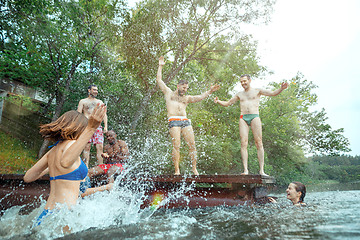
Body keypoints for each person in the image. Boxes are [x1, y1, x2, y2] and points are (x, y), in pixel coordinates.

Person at [23, 104, 106, 229]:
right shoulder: (70, 145)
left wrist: (52, 166)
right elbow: (66, 162)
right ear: (80, 129)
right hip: (63, 217)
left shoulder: (53, 151)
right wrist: (91, 128)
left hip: (46, 215)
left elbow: (28, 177)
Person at [156, 56, 220, 175]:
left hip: (185, 121)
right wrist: (160, 66)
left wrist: (210, 91)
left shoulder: (187, 98)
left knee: (192, 145)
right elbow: (159, 80)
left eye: (186, 88)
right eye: (183, 87)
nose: (185, 90)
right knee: (177, 145)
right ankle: (177, 170)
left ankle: (194, 168)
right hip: (173, 120)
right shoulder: (169, 93)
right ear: (178, 86)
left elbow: (200, 97)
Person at [214, 74, 288, 176]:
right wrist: (218, 101)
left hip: (254, 116)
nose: (243, 83)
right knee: (243, 143)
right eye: (241, 82)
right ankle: (245, 170)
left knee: (259, 142)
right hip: (243, 117)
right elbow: (227, 103)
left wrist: (281, 88)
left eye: (244, 81)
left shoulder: (257, 91)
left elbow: (272, 93)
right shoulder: (239, 94)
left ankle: (261, 170)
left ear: (250, 80)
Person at [80, 130, 129, 197]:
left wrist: (115, 156)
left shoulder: (121, 143)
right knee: (90, 172)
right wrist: (105, 157)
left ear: (115, 135)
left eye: (110, 136)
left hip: (120, 165)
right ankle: (84, 191)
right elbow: (107, 162)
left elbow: (126, 158)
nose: (108, 138)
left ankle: (111, 194)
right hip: (109, 165)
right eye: (107, 136)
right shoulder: (106, 147)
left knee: (110, 171)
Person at [77, 85, 108, 167]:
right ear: (89, 90)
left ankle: (101, 167)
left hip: (97, 126)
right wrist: (79, 126)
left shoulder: (100, 102)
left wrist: (105, 126)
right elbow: (78, 114)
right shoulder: (83, 101)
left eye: (97, 90)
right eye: (94, 90)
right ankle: (85, 167)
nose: (96, 91)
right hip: (86, 126)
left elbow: (104, 114)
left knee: (100, 146)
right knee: (86, 147)